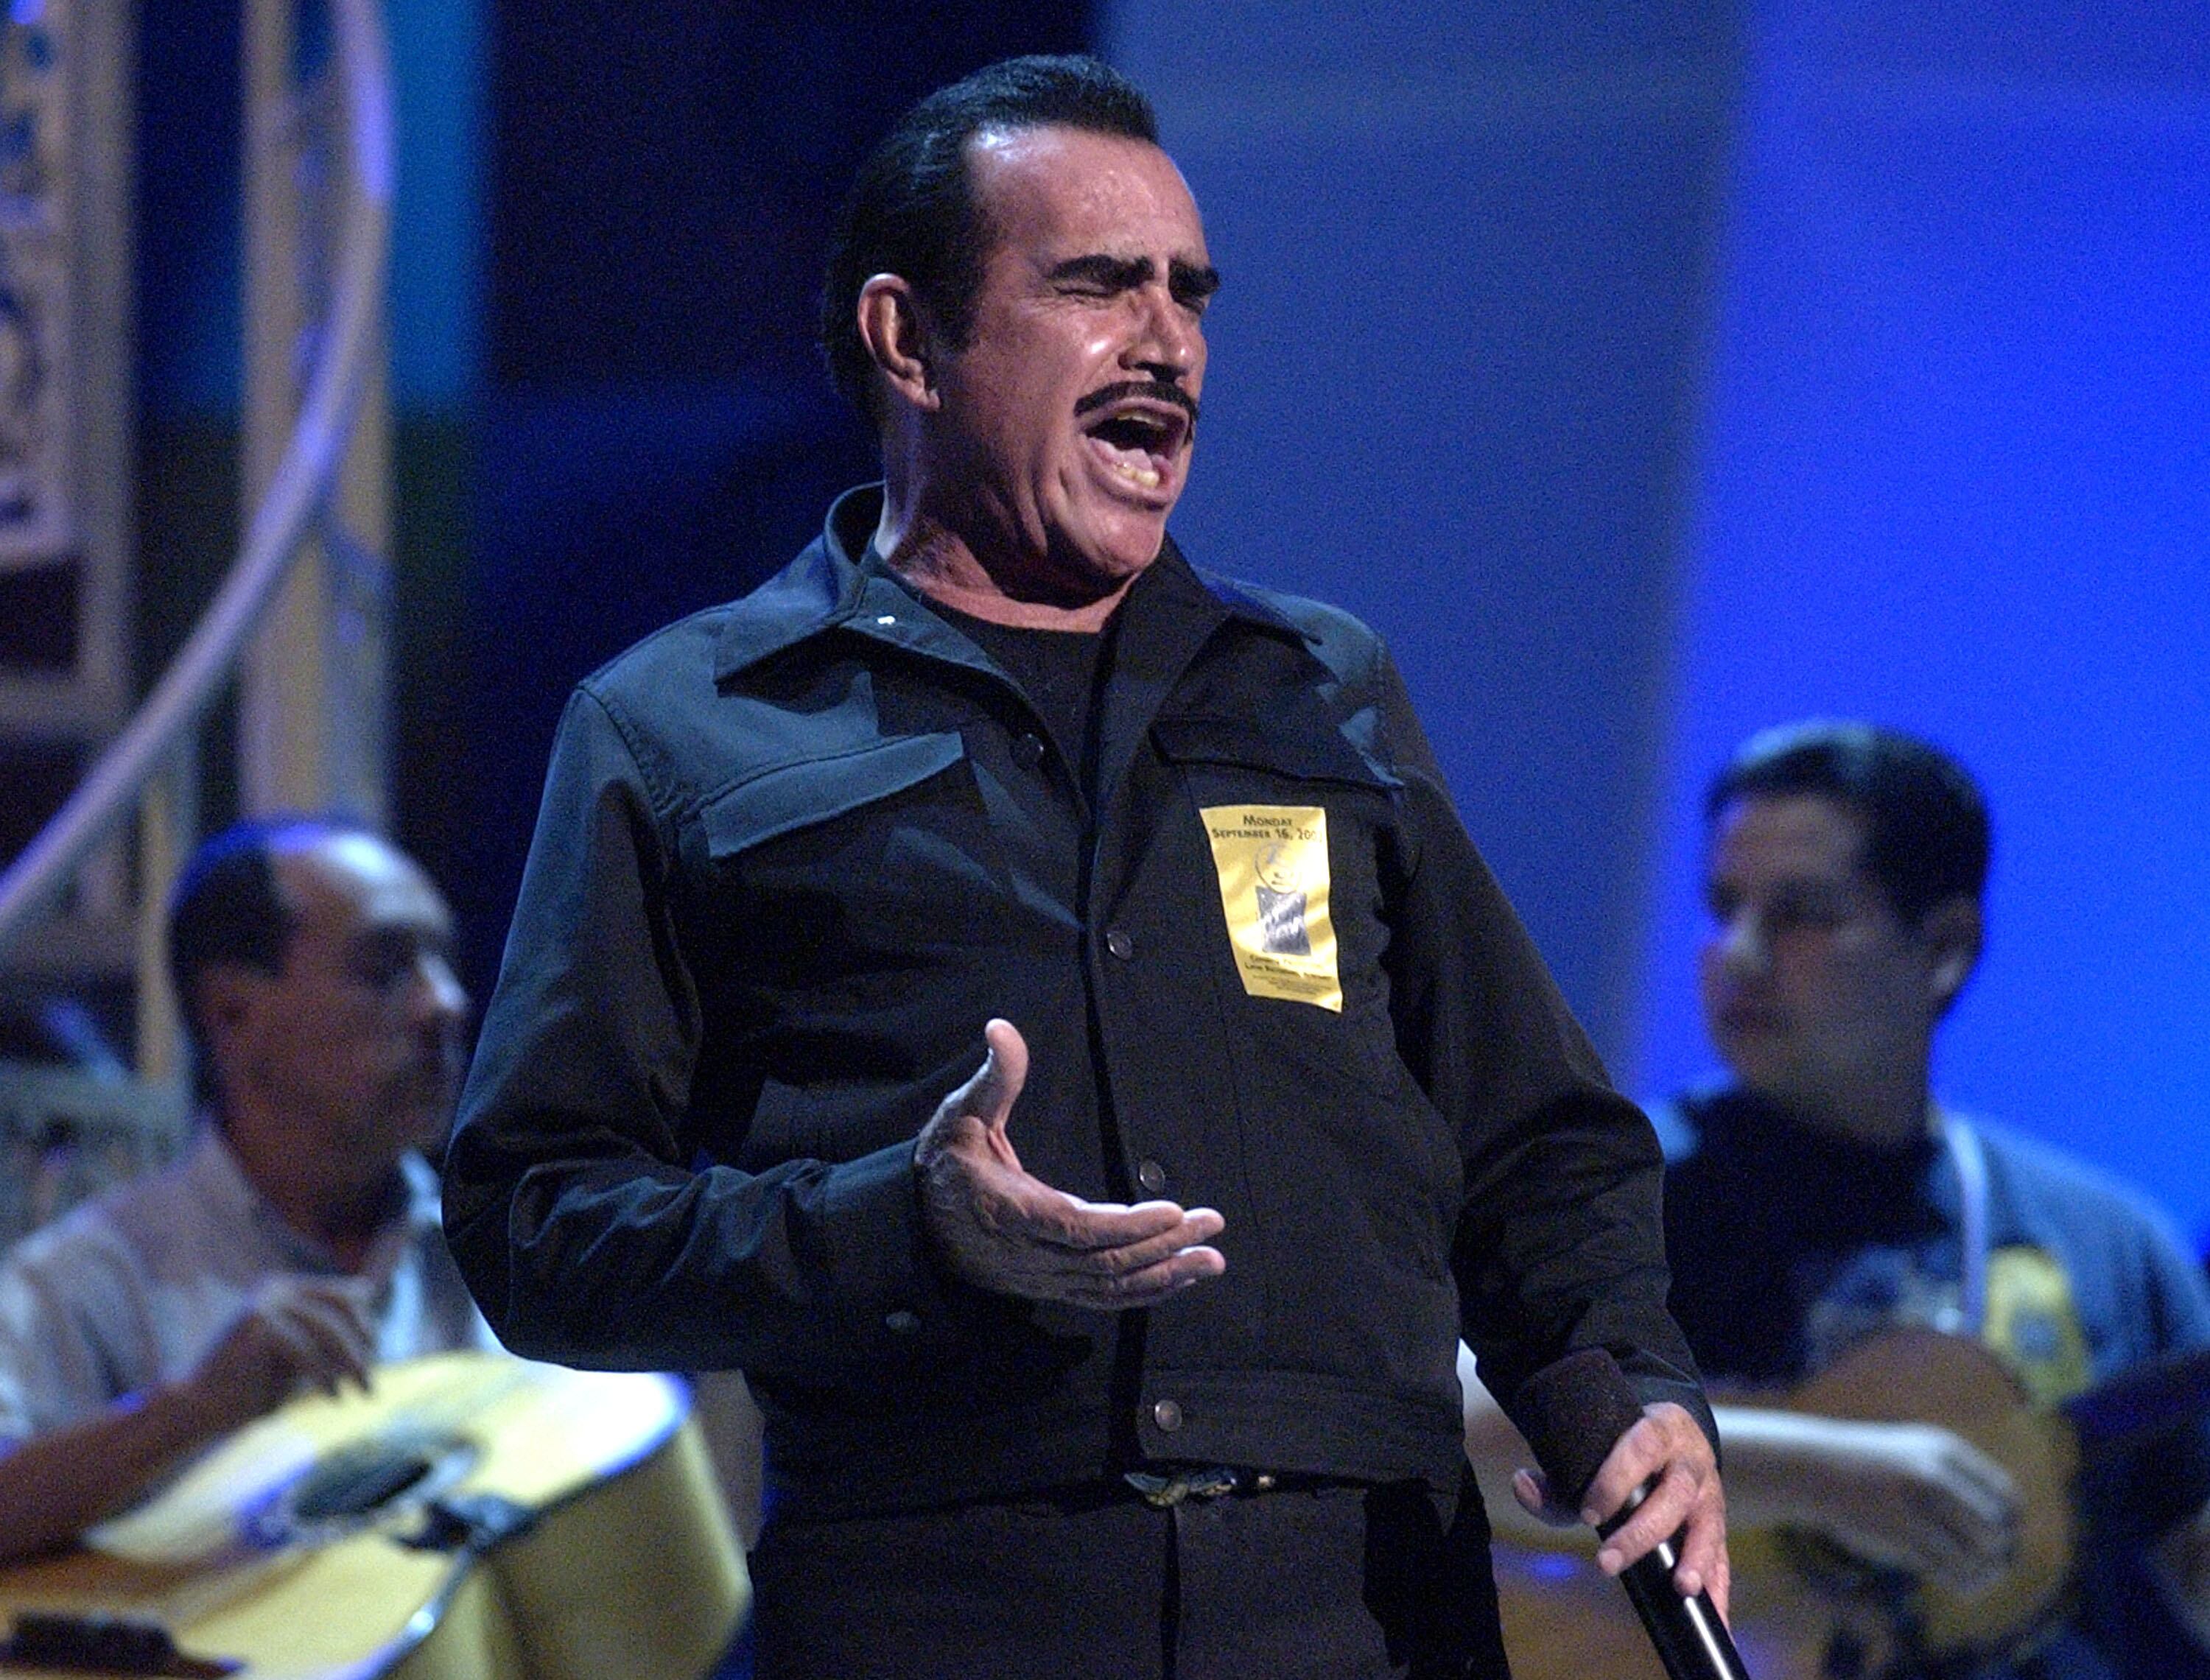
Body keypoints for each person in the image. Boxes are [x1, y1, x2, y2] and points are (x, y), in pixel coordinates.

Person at [442, 54, 1726, 1679]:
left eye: (1189, 293)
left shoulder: (1318, 689)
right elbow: (537, 1225)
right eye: (1097, 285)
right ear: (908, 338)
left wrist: (1628, 1385)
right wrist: (893, 1226)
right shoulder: (683, 729)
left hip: (1360, 1611)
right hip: (951, 1608)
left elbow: (1530, 1138)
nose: (1168, 342)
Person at [1474, 720, 2210, 1680]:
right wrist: (1826, 1476)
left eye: (1802, 914)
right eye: (1722, 904)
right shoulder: (1598, 1186)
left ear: (1944, 947)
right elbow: (1449, 1413)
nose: (1736, 954)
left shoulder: (2107, 1245)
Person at [0, 817, 490, 1564]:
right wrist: (194, 1410)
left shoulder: (504, 1258)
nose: (445, 1004)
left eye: (444, 964)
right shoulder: (82, 1282)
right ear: (232, 1013)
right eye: (386, 968)